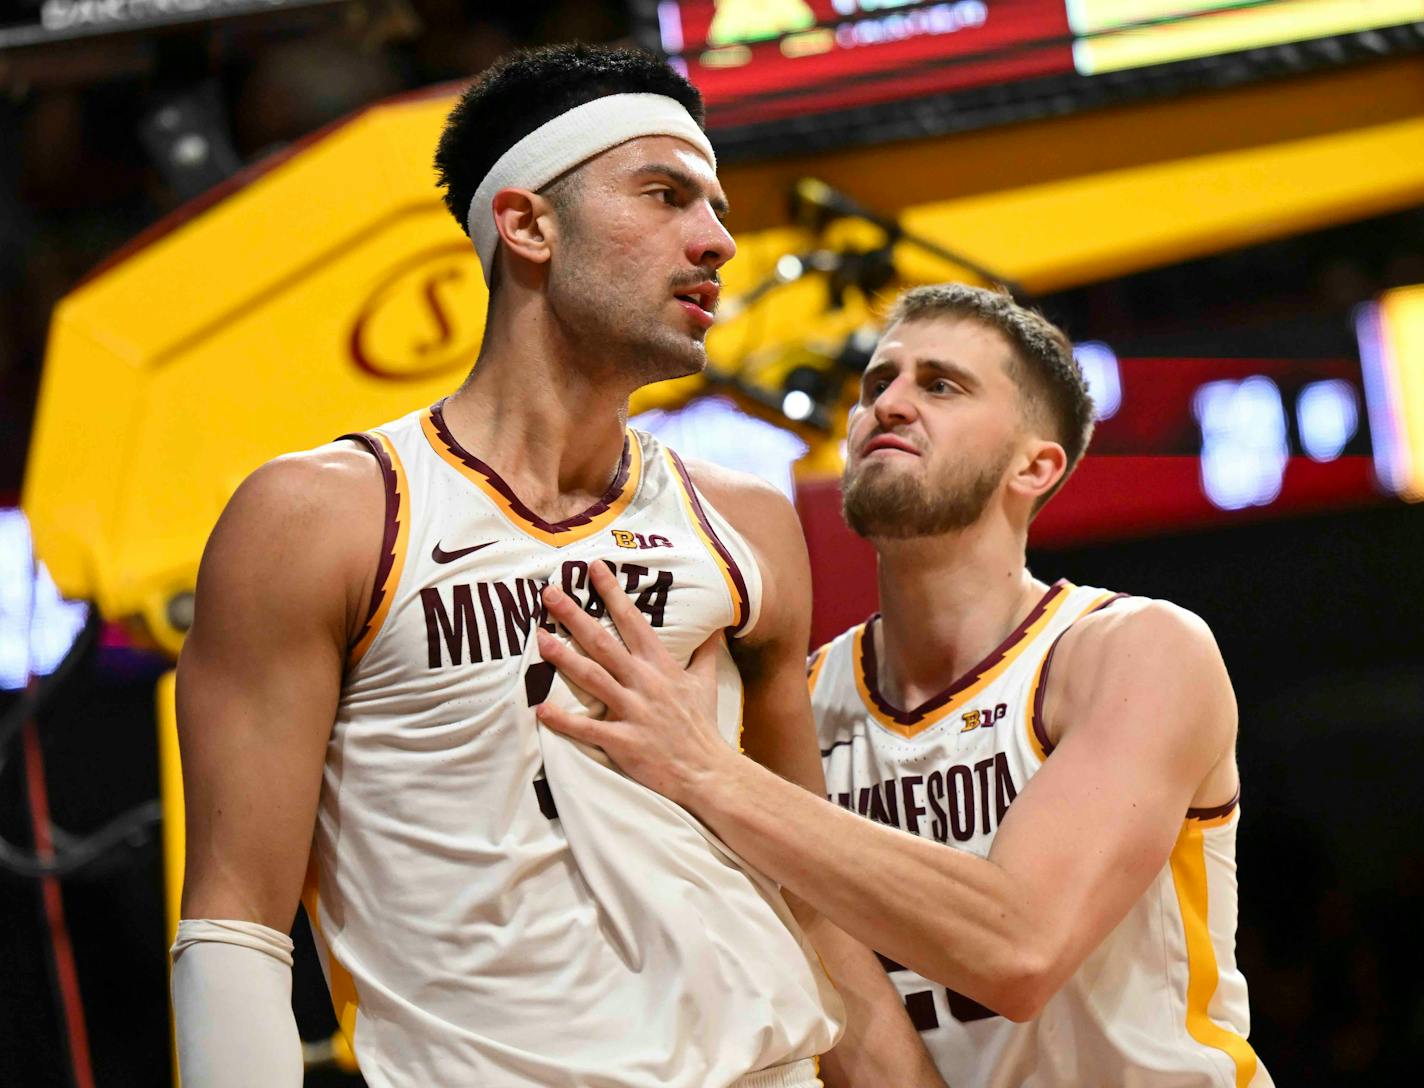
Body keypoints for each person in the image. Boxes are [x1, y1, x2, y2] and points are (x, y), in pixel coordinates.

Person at [169, 44, 940, 1088]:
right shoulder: (325, 514)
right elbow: (235, 925)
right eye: (665, 195)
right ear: (527, 225)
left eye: (712, 205)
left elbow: (811, 886)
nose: (716, 239)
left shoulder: (743, 519)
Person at [536, 282, 1275, 1086]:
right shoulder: (802, 706)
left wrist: (709, 770)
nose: (887, 405)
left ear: (1035, 465)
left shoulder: (1134, 651)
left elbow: (1018, 950)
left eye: (941, 385)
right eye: (875, 384)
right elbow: (831, 988)